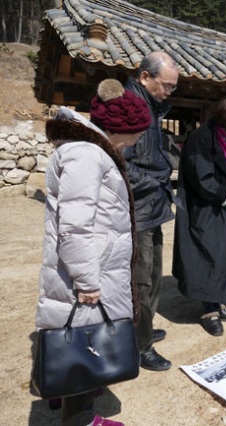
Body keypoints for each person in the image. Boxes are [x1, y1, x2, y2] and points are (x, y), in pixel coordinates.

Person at [36, 79, 151, 426]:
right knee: (82, 335)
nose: (140, 137)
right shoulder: (87, 155)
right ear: (122, 129)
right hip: (88, 269)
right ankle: (80, 418)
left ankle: (66, 390)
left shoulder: (91, 151)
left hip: (96, 263)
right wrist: (86, 279)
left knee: (79, 337)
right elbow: (75, 224)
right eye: (138, 131)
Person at [172, 95, 226, 336]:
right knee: (209, 256)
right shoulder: (200, 140)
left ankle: (220, 301)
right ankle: (209, 310)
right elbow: (202, 178)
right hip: (207, 208)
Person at [123, 51, 179, 370]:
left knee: (155, 273)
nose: (169, 93)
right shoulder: (128, 109)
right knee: (140, 280)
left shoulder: (150, 107)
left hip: (152, 203)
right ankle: (140, 345)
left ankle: (143, 330)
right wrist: (156, 181)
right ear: (145, 77)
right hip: (137, 207)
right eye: (167, 86)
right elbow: (120, 164)